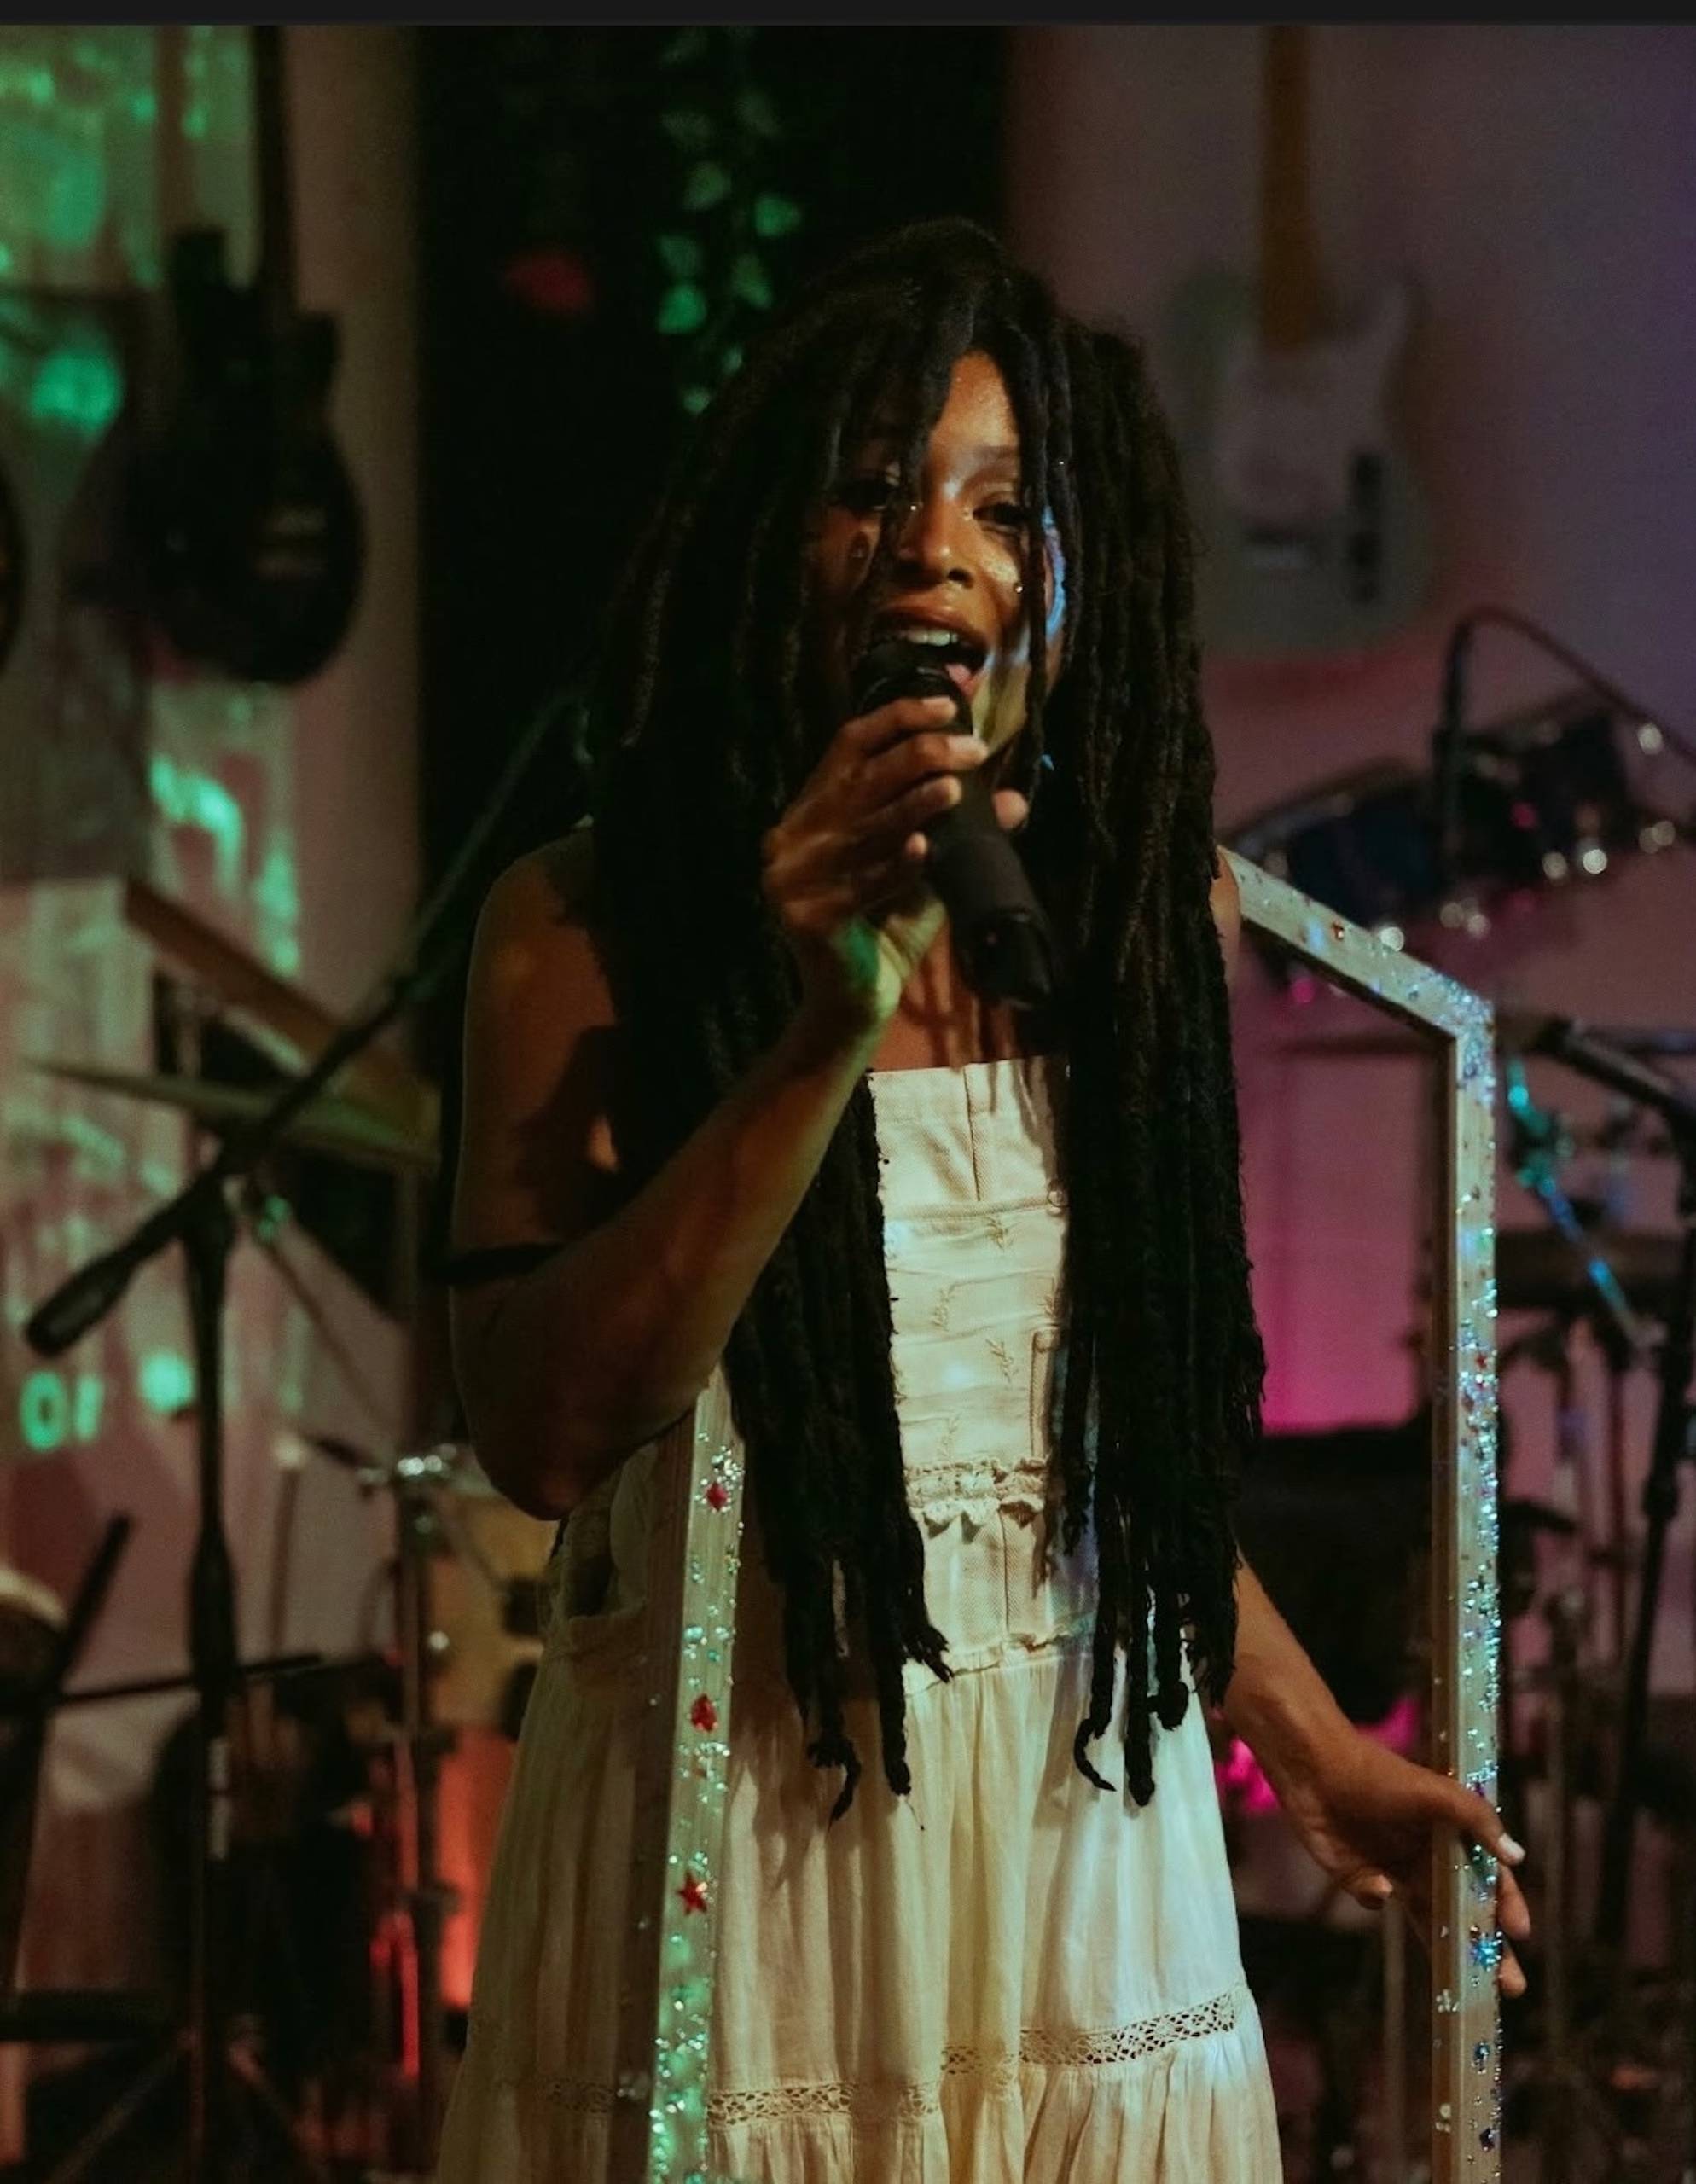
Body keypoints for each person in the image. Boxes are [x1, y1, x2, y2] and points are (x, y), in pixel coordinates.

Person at [433, 219, 1528, 2184]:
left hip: (1074, 1833)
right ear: (775, 538)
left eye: (1006, 504)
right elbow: (540, 1431)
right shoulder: (589, 926)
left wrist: (1314, 1745)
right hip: (743, 1825)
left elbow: (1093, 1442)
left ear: (1071, 581)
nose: (938, 543)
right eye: (873, 487)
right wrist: (816, 1024)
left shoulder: (1122, 919)